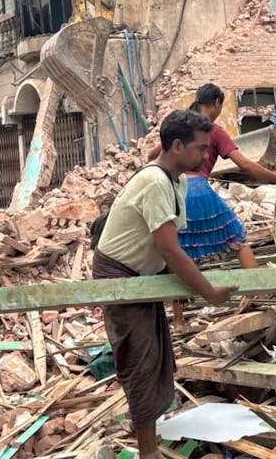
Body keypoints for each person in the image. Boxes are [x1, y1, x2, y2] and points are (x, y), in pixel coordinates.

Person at [95, 109, 238, 459]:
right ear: (177, 145)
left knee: (158, 357)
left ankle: (151, 442)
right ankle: (148, 453)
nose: (206, 156)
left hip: (144, 275)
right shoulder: (156, 182)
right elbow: (169, 249)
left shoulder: (178, 181)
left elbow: (172, 242)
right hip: (120, 274)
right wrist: (209, 292)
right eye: (200, 149)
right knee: (141, 359)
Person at [149, 83, 276, 268]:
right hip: (198, 190)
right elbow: (245, 165)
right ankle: (256, 293)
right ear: (217, 103)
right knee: (238, 240)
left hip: (173, 192)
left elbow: (151, 155)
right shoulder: (213, 131)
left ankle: (182, 298)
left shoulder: (182, 128)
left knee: (178, 247)